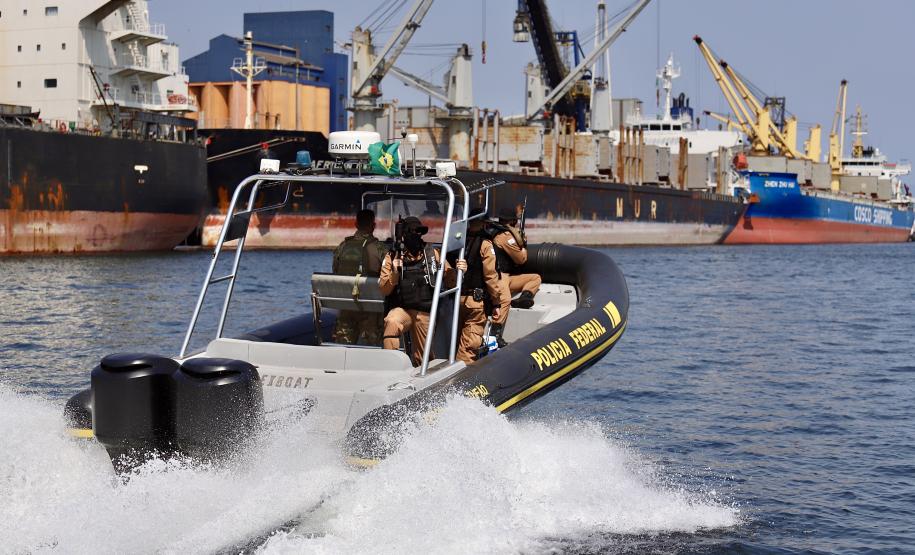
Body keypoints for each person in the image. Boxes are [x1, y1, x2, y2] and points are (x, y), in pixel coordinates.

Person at [379, 216, 466, 366]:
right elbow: (385, 290)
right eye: (413, 232)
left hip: (425, 311)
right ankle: (391, 366)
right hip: (403, 309)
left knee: (423, 356)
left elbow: (450, 282)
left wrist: (458, 272)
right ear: (404, 234)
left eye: (419, 233)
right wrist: (394, 272)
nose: (416, 236)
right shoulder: (392, 256)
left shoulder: (433, 254)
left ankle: (423, 374)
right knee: (392, 322)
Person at [331, 209, 388, 345]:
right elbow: (388, 276)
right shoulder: (380, 249)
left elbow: (335, 271)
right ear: (373, 226)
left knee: (343, 344)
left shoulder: (342, 247)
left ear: (356, 224)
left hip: (346, 307)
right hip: (371, 310)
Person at [454, 218, 502, 364]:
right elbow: (491, 277)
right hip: (475, 303)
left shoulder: (458, 242)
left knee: (456, 343)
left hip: (456, 300)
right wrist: (496, 303)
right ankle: (461, 382)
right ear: (483, 224)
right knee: (469, 347)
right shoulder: (485, 244)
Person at [491, 206, 542, 339]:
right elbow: (521, 259)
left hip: (506, 276)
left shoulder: (495, 231)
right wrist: (523, 245)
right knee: (505, 299)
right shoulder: (506, 237)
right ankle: (495, 335)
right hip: (498, 276)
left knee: (535, 278)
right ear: (513, 221)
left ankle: (525, 297)